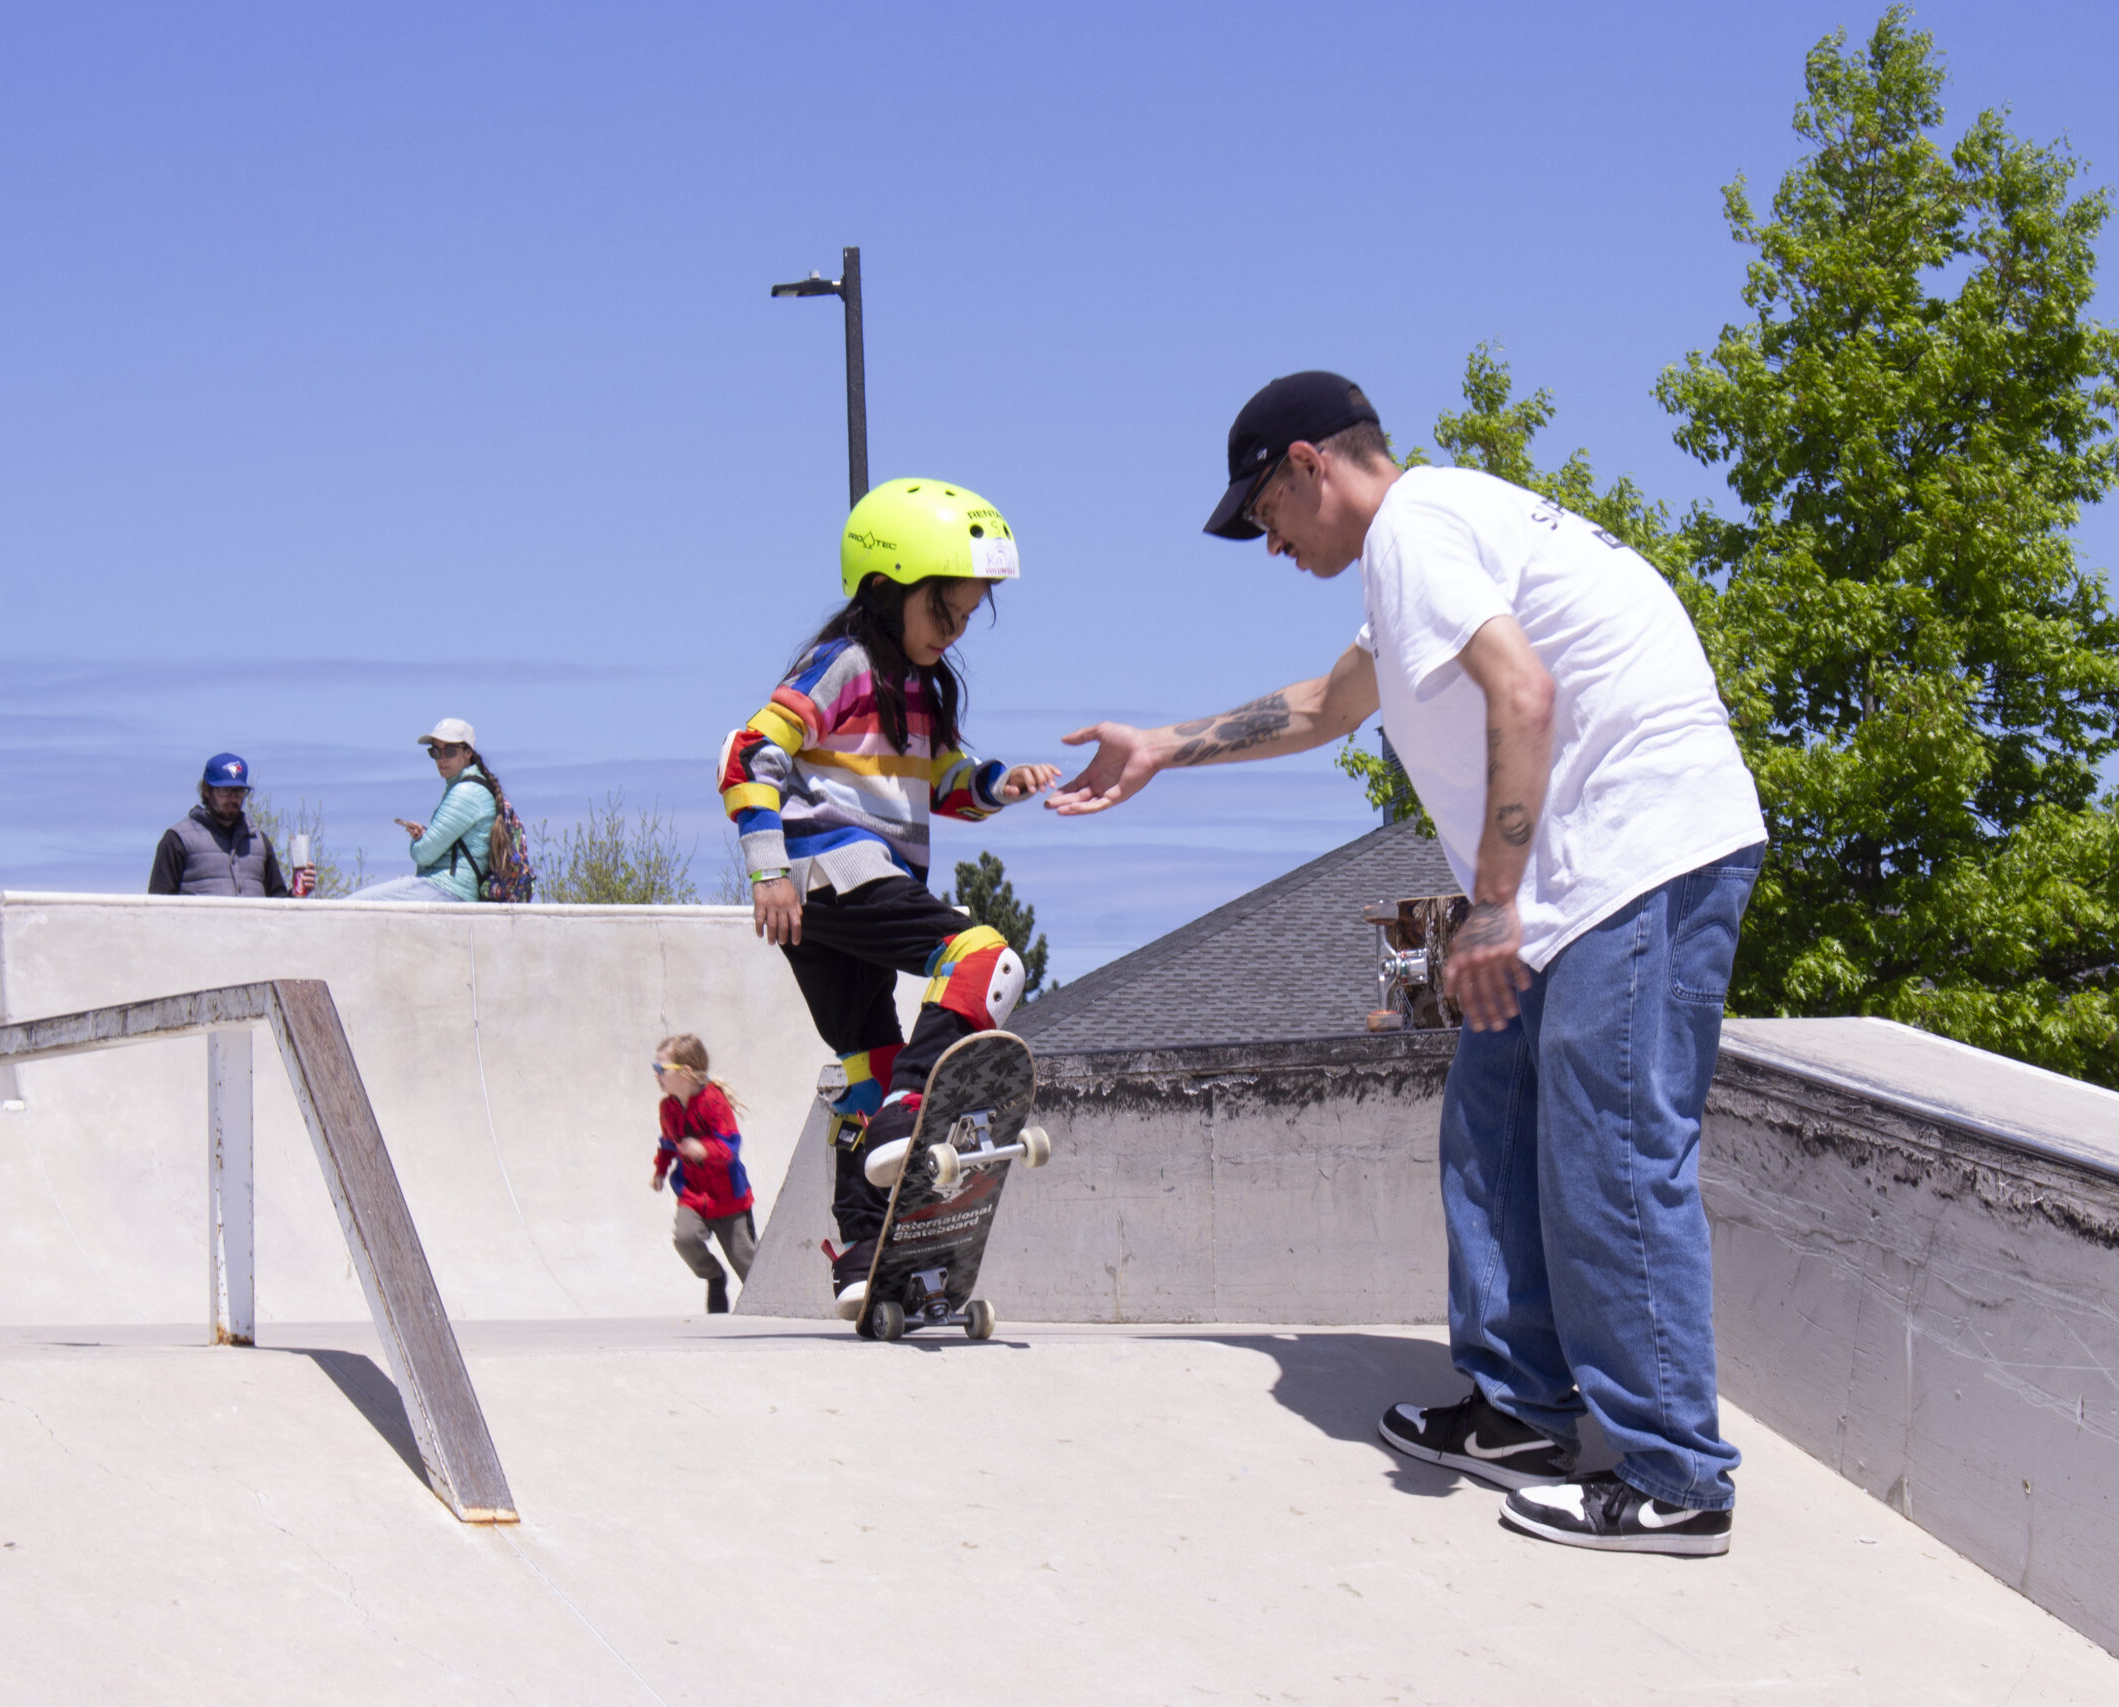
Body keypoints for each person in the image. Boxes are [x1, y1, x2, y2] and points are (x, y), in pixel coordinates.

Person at [1048, 372, 1768, 1556]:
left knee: (1611, 1152)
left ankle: (1676, 1479)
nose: (1270, 545)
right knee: (1490, 1125)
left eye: (1265, 515)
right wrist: (1163, 747)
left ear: (1308, 464)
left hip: (1639, 863)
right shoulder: (1426, 546)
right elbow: (1328, 705)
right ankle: (1520, 1411)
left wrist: (1492, 904)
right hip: (1579, 882)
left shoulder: (1415, 532)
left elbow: (1523, 693)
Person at [718, 478, 1060, 1319]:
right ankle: (914, 1108)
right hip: (836, 873)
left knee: (866, 1067)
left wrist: (997, 784)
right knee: (984, 956)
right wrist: (766, 869)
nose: (955, 631)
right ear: (883, 588)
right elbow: (750, 752)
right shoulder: (844, 665)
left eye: (968, 616)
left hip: (834, 901)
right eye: (943, 611)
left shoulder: (917, 689)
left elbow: (938, 780)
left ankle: (862, 1257)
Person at [650, 1034, 759, 1314]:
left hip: (729, 1198)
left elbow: (730, 1146)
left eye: (661, 1068)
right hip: (694, 1194)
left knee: (749, 1265)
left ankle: (768, 1304)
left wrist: (704, 1149)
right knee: (685, 1239)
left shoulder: (713, 1101)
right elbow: (667, 1143)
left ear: (685, 1072)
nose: (656, 1074)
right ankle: (714, 1276)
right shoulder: (668, 1108)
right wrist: (660, 1170)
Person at [349, 719, 501, 902]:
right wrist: (425, 836)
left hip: (447, 889)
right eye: (435, 752)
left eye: (449, 751)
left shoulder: (466, 793)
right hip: (453, 890)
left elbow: (424, 854)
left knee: (350, 906)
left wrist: (418, 843)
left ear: (468, 752)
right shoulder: (469, 788)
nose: (441, 759)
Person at [146, 753, 317, 897]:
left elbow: (277, 904)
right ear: (206, 791)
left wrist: (296, 894)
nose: (233, 798)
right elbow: (158, 905)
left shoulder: (259, 842)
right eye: (225, 790)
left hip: (254, 928)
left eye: (239, 791)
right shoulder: (178, 839)